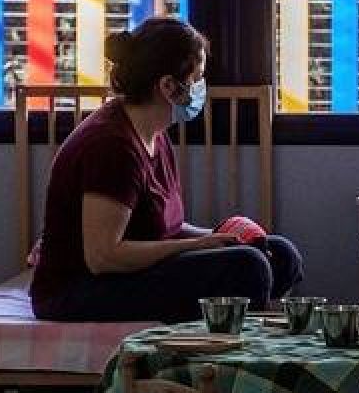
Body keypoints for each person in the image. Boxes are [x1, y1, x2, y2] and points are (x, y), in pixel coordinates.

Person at [30, 17, 302, 323]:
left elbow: (163, 230)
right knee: (247, 267)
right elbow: (102, 256)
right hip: (78, 291)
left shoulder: (153, 134)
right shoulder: (111, 146)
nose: (202, 88)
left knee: (277, 254)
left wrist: (220, 238)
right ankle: (238, 347)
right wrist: (198, 246)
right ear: (168, 86)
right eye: (197, 78)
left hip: (125, 273)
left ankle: (248, 322)